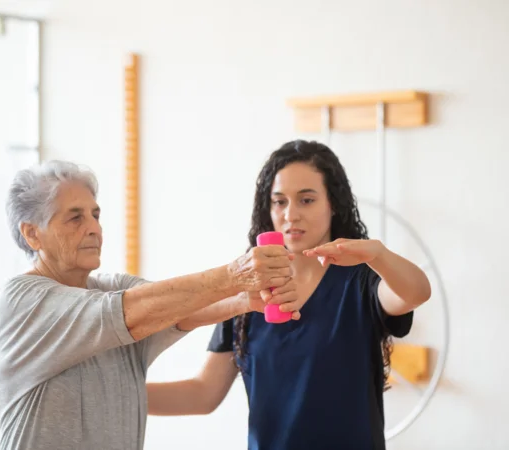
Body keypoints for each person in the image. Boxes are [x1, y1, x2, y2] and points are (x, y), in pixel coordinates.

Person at [0, 160, 299, 450]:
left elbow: (174, 310)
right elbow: (127, 313)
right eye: (75, 217)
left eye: (95, 216)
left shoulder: (114, 288)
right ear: (33, 234)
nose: (94, 229)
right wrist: (235, 275)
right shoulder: (23, 300)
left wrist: (244, 300)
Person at [146, 140, 431, 450]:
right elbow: (203, 394)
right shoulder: (248, 294)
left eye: (306, 200)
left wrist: (377, 253)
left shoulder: (361, 283)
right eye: (279, 202)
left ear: (333, 204)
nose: (290, 214)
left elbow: (415, 292)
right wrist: (115, 392)